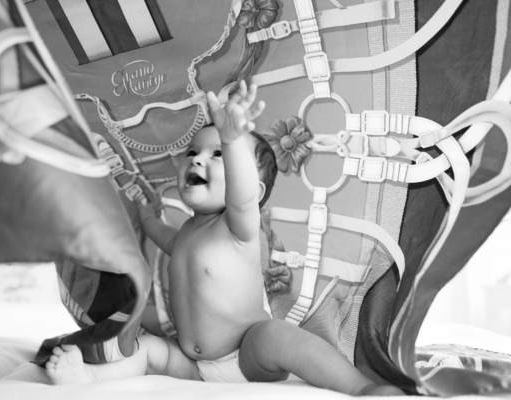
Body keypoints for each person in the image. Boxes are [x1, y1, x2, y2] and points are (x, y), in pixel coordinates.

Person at [45, 81, 404, 396]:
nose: (198, 160)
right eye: (193, 153)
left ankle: (359, 386)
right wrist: (145, 215)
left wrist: (231, 138)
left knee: (278, 336)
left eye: (218, 155)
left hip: (248, 354)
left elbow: (242, 194)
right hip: (193, 365)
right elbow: (159, 235)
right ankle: (89, 378)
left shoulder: (239, 226)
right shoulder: (187, 232)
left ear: (255, 188)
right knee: (150, 350)